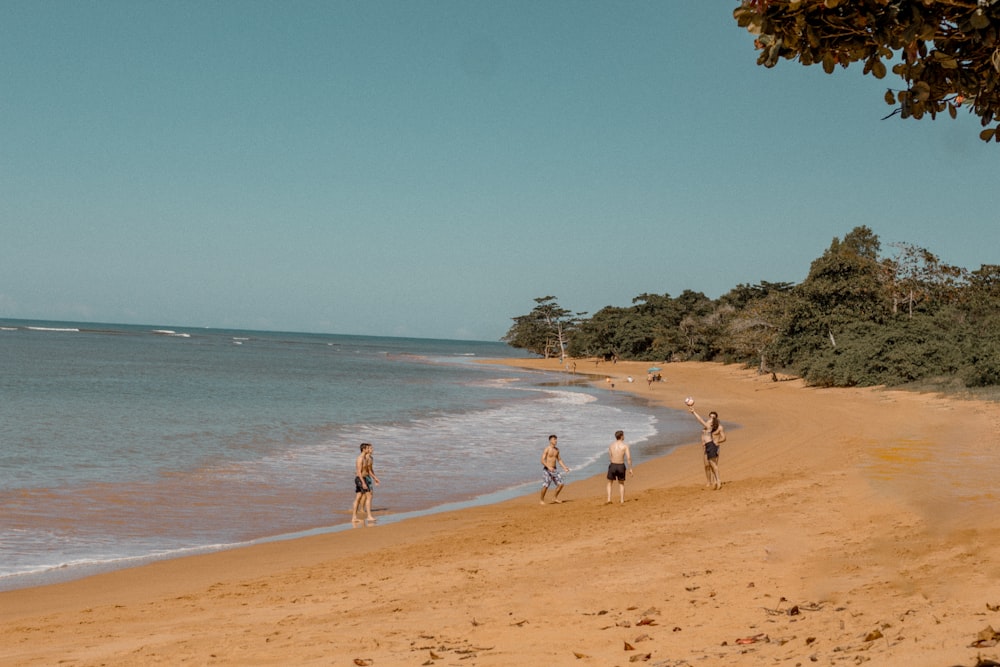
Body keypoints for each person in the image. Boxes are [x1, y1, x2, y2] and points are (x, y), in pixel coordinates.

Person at [689, 408, 726, 490]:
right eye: (710, 417)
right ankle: (712, 481)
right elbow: (703, 435)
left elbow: (700, 419)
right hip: (708, 446)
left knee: (713, 465)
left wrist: (694, 412)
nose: (710, 419)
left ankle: (717, 481)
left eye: (712, 418)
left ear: (715, 419)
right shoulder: (707, 426)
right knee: (708, 465)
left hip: (712, 446)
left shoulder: (710, 426)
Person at [540, 434, 571, 504]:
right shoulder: (547, 449)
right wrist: (548, 467)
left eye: (556, 439)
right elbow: (542, 460)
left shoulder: (557, 450)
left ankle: (554, 498)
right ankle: (541, 500)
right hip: (547, 469)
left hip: (554, 469)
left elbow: (559, 460)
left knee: (561, 484)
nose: (556, 441)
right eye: (554, 439)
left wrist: (564, 467)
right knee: (546, 485)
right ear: (550, 440)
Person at [606, 430, 634, 504]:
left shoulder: (611, 445)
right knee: (621, 483)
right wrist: (630, 468)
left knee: (609, 482)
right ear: (621, 436)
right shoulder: (625, 446)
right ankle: (621, 500)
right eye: (623, 435)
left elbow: (610, 457)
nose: (624, 436)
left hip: (613, 465)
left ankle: (609, 499)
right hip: (620, 465)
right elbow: (628, 458)